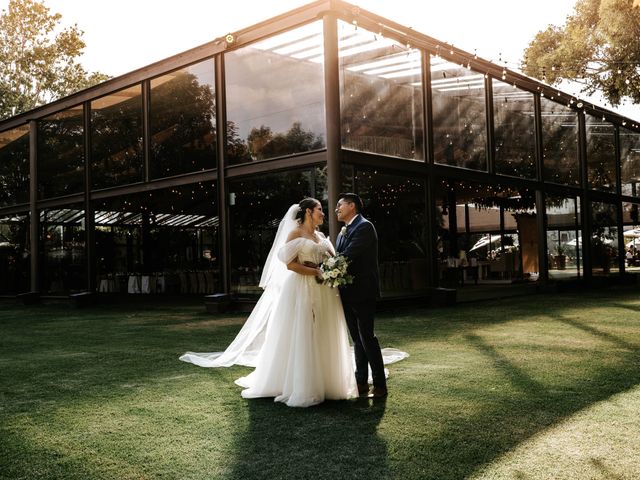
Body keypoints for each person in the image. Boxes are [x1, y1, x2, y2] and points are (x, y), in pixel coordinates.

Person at [180, 198, 358, 407]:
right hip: (302, 287)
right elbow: (290, 265)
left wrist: (330, 270)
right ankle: (302, 383)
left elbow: (329, 259)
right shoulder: (295, 234)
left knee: (322, 330)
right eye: (319, 209)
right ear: (309, 212)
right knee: (303, 331)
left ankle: (328, 380)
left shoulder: (319, 236)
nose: (323, 213)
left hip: (323, 289)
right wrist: (317, 271)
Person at [335, 193, 388, 398]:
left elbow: (347, 256)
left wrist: (325, 269)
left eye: (340, 205)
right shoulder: (342, 231)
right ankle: (361, 382)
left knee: (367, 337)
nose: (337, 209)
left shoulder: (365, 227)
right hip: (346, 292)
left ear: (352, 206)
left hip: (364, 291)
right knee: (357, 338)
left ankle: (380, 384)